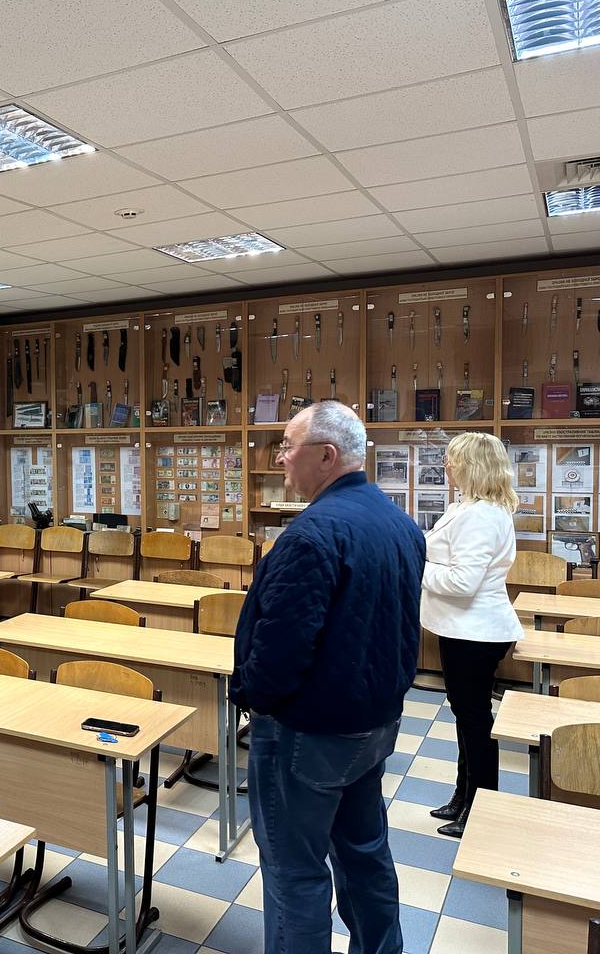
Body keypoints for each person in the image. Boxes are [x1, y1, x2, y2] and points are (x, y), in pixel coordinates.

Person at [232, 402, 425, 954]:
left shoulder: (312, 535)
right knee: (365, 853)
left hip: (308, 734)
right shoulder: (399, 523)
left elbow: (282, 646)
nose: (281, 458)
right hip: (372, 724)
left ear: (326, 455)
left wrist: (254, 697)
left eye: (288, 446)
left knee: (294, 873)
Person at [420, 432, 522, 838]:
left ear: (472, 466)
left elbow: (462, 582)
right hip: (463, 630)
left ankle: (478, 808)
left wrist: (415, 565)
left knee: (475, 720)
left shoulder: (481, 516)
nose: (446, 466)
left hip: (476, 633)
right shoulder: (469, 507)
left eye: (453, 459)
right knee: (466, 716)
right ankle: (464, 796)